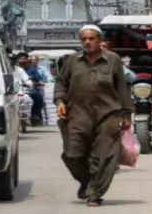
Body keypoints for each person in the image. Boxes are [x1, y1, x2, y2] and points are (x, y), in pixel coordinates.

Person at [54, 24, 133, 207]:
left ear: (100, 40)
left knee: (104, 156)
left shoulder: (113, 60)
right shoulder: (72, 61)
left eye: (91, 39)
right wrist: (60, 101)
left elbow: (122, 88)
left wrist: (126, 114)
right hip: (78, 113)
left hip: (108, 114)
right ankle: (88, 181)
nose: (87, 42)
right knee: (71, 154)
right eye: (84, 39)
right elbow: (61, 83)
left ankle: (94, 194)